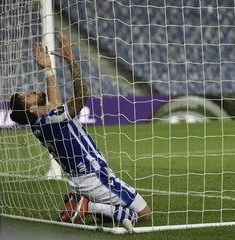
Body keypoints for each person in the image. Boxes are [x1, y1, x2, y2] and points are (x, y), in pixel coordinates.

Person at [9, 32, 151, 232]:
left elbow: (55, 103)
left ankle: (85, 202)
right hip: (94, 177)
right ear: (31, 109)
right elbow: (83, 95)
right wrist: (71, 60)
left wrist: (49, 69)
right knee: (144, 214)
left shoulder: (42, 122)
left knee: (125, 213)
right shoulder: (51, 119)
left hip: (82, 179)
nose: (31, 91)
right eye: (27, 97)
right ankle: (87, 205)